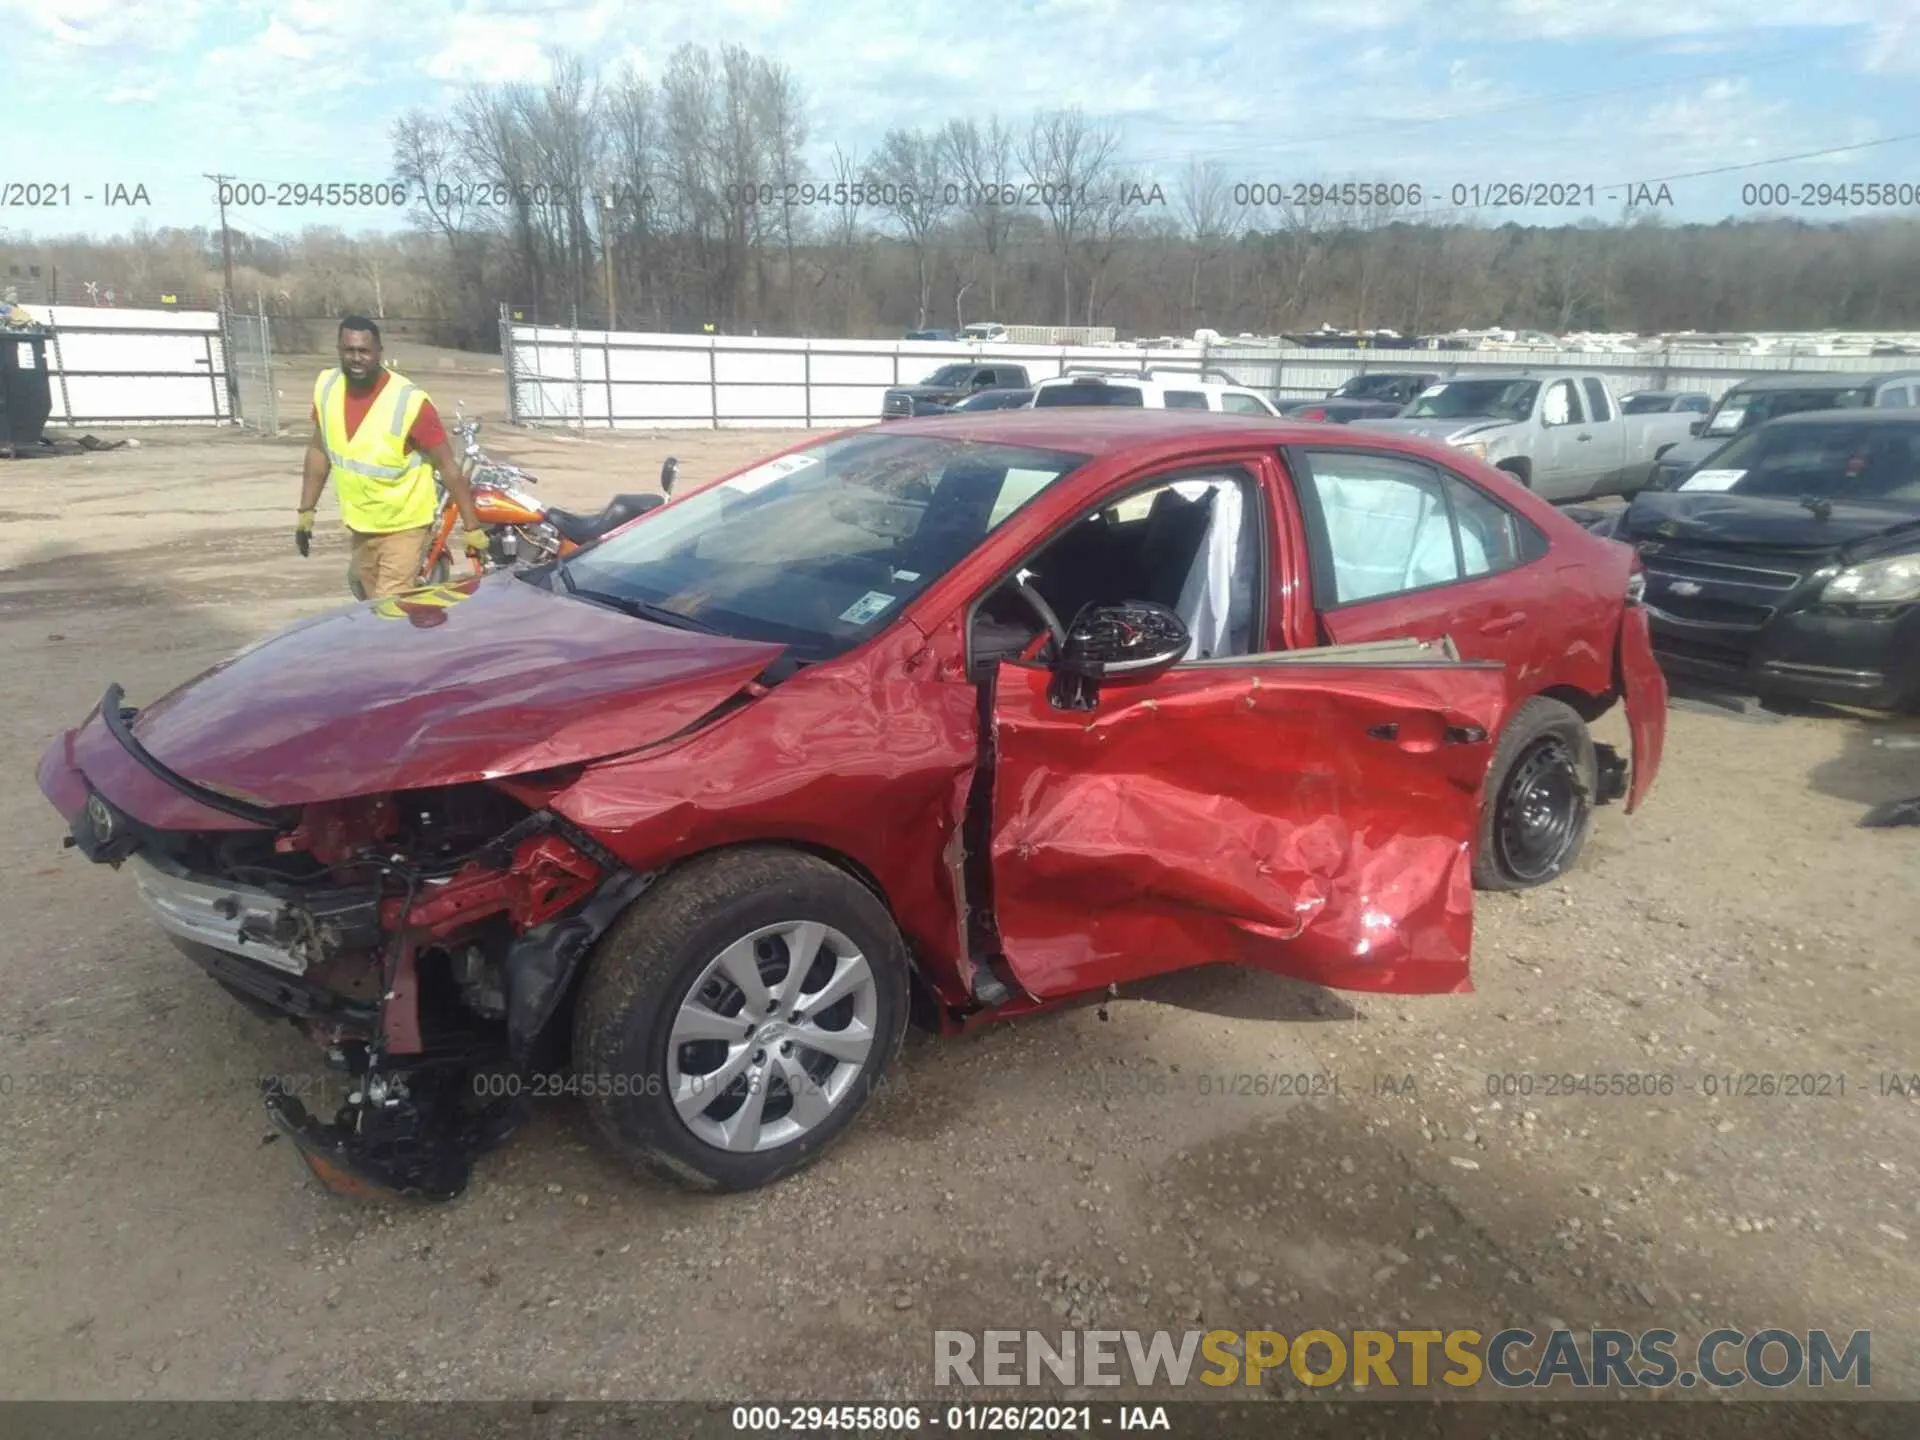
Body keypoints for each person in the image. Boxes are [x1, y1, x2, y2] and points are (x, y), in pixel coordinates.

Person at [297, 316, 485, 600]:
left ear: (379, 352)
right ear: (339, 349)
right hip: (362, 524)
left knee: (388, 609)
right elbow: (318, 451)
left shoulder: (409, 402)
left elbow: (447, 466)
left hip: (405, 526)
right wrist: (306, 512)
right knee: (365, 594)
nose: (356, 358)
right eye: (349, 351)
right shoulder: (327, 387)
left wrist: (471, 527)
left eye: (364, 351)